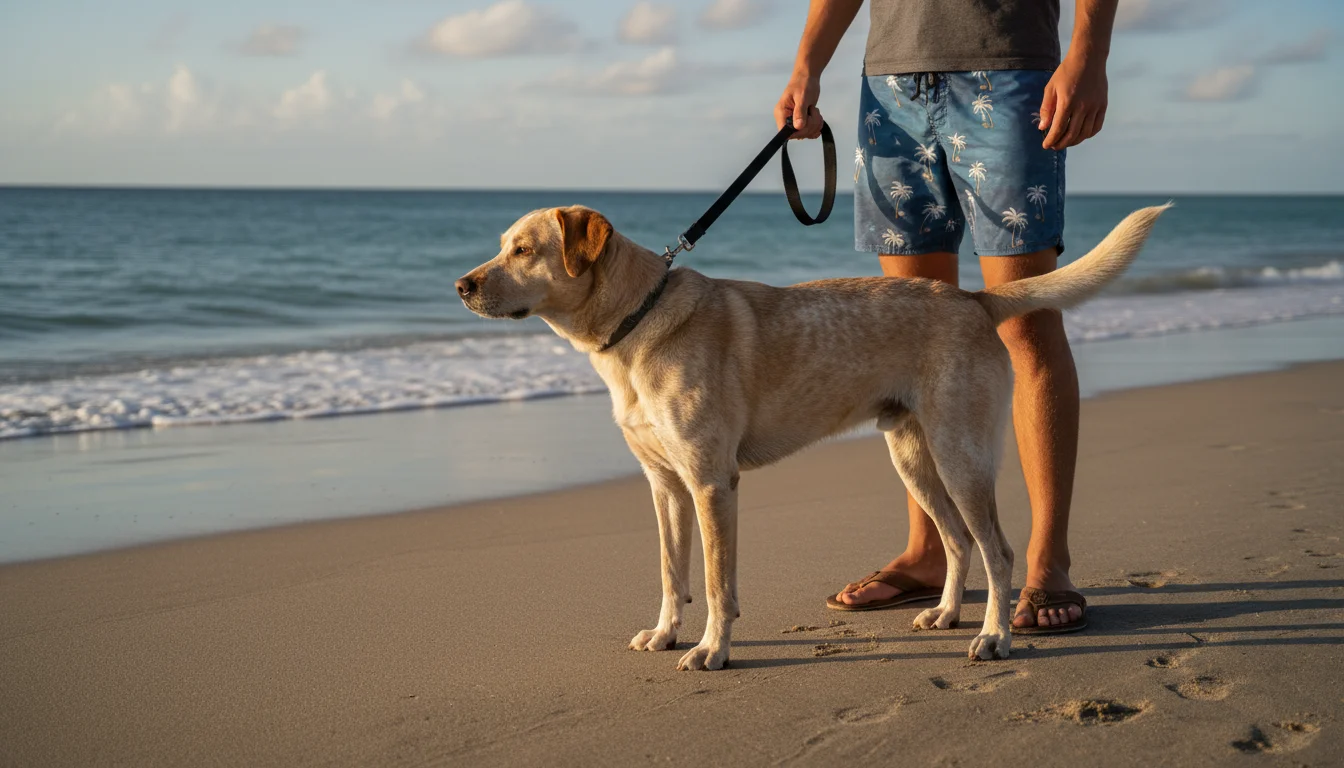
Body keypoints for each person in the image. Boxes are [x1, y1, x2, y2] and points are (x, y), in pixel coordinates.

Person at [776, 0, 1118, 633]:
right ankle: (932, 552)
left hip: (1009, 75)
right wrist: (807, 65)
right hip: (890, 87)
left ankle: (1048, 560)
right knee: (906, 338)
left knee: (1027, 326)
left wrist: (1089, 55)